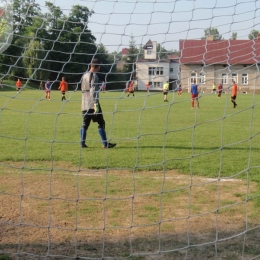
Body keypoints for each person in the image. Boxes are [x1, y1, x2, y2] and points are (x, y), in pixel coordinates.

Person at [80, 58, 116, 149]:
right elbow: (93, 91)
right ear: (97, 66)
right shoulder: (94, 76)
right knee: (101, 122)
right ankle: (105, 143)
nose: (100, 67)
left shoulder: (84, 75)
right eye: (99, 66)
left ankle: (82, 143)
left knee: (85, 123)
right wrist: (96, 104)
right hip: (93, 103)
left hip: (84, 103)